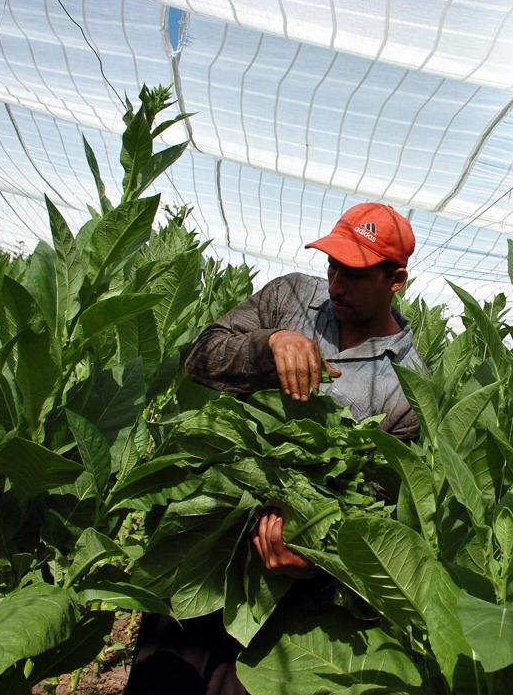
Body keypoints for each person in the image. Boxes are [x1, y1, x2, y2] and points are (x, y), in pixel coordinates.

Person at [124, 202, 425, 695]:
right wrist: (268, 344)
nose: (335, 284)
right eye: (332, 265)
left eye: (354, 272)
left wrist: (316, 557)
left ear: (395, 280)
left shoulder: (408, 389)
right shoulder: (288, 298)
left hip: (285, 601)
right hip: (205, 535)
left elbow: (379, 514)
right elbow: (199, 359)